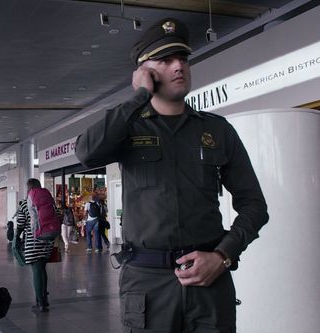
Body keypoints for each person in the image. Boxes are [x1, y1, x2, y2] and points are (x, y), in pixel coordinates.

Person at [75, 17, 269, 332]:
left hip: (210, 281)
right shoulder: (129, 126)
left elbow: (254, 205)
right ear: (145, 72)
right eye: (166, 60)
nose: (179, 66)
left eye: (183, 58)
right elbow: (87, 153)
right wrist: (138, 98)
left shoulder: (217, 130)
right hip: (147, 283)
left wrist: (223, 256)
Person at [15, 178, 55, 312]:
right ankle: (45, 299)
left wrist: (16, 237)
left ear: (28, 188)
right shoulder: (50, 201)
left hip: (33, 243)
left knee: (37, 271)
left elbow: (20, 223)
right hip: (48, 241)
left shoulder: (26, 203)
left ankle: (40, 303)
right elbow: (58, 215)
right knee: (42, 269)